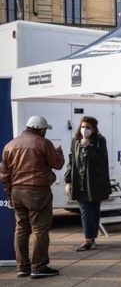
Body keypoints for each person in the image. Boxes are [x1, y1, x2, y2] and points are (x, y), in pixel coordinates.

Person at [0, 116, 65, 279]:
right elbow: (57, 164)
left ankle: (22, 267)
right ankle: (39, 267)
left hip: (17, 191)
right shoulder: (43, 143)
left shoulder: (10, 145)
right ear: (42, 130)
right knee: (40, 229)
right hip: (38, 191)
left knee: (21, 229)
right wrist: (59, 153)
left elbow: (4, 174)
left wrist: (9, 194)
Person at [64, 116, 111, 252]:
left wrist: (89, 148)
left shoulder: (100, 141)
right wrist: (68, 181)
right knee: (85, 208)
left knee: (95, 209)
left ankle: (92, 237)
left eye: (88, 127)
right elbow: (71, 161)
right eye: (83, 126)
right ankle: (88, 239)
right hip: (80, 182)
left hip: (95, 181)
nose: (85, 130)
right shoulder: (75, 141)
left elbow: (101, 160)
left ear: (94, 129)